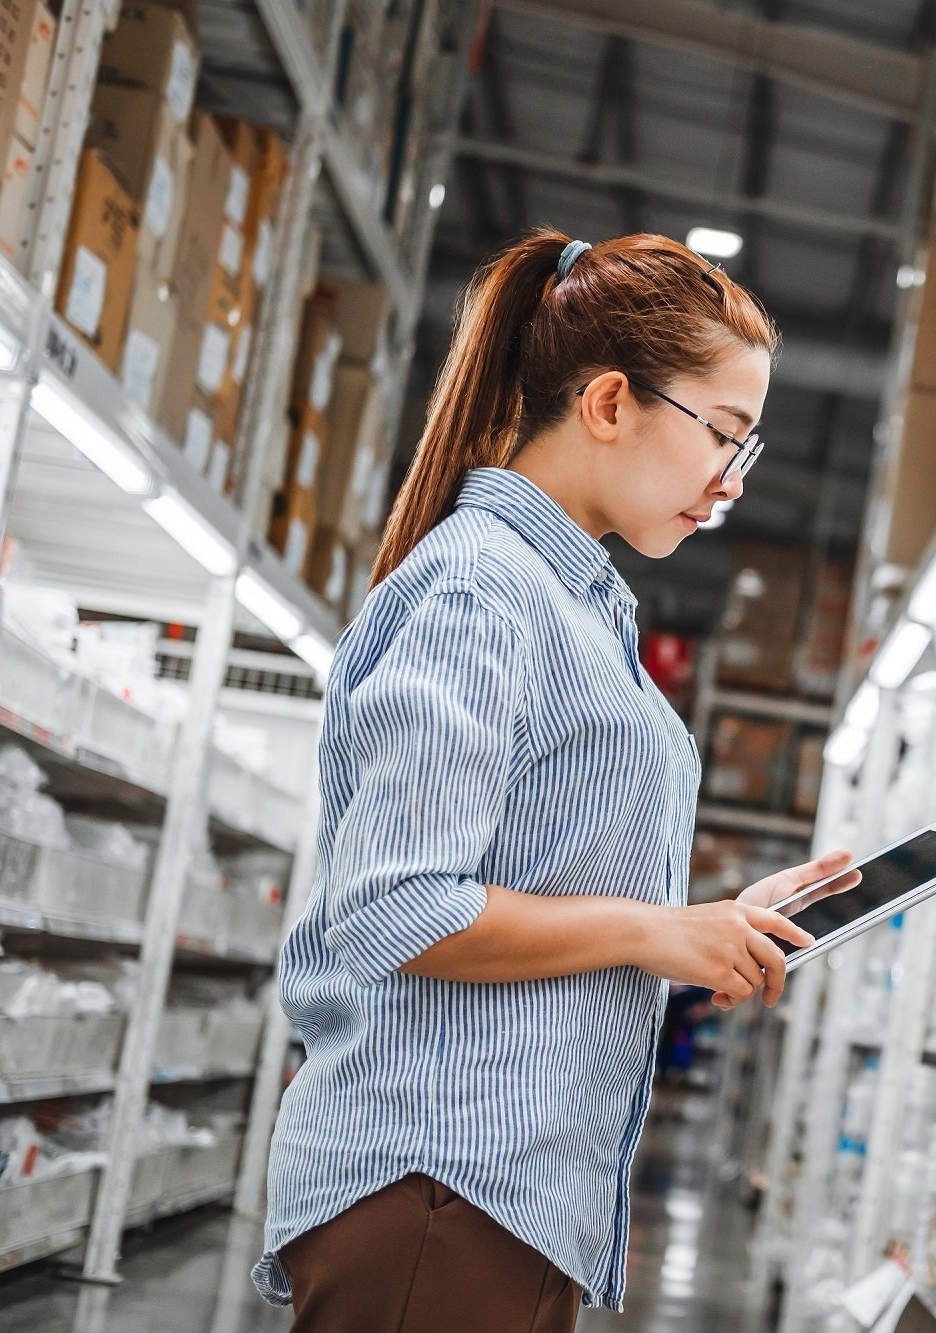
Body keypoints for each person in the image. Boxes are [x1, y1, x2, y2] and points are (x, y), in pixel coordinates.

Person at [252, 230, 859, 1332]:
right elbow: (397, 906)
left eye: (748, 449)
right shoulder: (482, 591)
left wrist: (702, 927)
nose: (729, 481)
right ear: (611, 402)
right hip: (438, 1181)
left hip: (504, 1189)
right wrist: (647, 932)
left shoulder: (581, 604)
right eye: (721, 433)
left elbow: (545, 879)